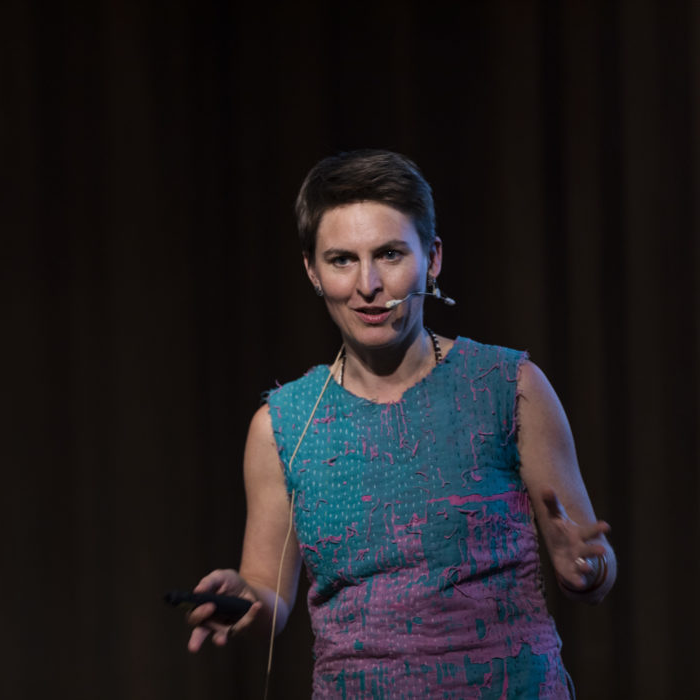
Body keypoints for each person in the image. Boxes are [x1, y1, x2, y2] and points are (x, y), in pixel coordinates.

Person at [186, 149, 616, 698]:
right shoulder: (282, 425)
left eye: (389, 254)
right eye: (342, 260)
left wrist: (588, 571)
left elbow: (588, 561)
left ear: (432, 259)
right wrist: (240, 600)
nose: (368, 284)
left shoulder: (511, 387)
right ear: (312, 271)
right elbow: (271, 598)